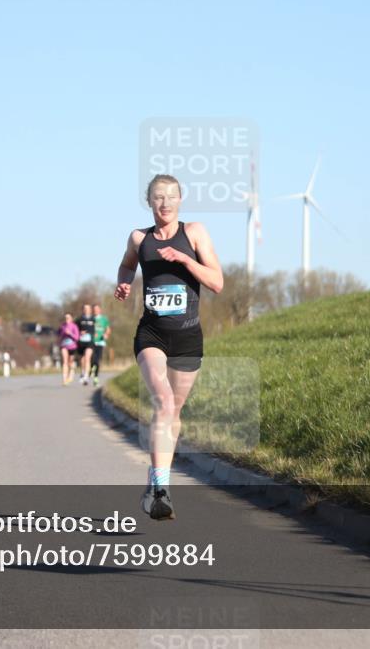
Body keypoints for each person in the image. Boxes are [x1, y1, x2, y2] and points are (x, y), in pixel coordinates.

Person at [114, 174, 223, 520]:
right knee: (162, 401)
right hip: (152, 335)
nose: (165, 203)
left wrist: (186, 260)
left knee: (173, 412)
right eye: (158, 197)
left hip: (188, 336)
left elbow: (217, 282)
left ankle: (153, 483)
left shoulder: (194, 233)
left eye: (171, 197)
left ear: (180, 200)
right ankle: (162, 487)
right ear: (149, 202)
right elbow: (127, 265)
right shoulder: (138, 238)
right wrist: (123, 283)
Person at [90, 304, 111, 387]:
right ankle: (91, 368)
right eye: (94, 309)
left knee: (98, 360)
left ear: (100, 310)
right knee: (92, 358)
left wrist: (106, 334)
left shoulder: (104, 319)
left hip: (100, 342)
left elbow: (108, 330)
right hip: (91, 342)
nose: (95, 310)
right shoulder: (91, 319)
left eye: (97, 309)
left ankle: (96, 378)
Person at [75, 304, 96, 385]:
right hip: (81, 341)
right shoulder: (79, 319)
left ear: (90, 310)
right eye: (85, 309)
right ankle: (83, 372)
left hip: (90, 341)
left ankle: (86, 376)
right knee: (82, 359)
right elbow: (74, 329)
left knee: (87, 358)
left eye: (88, 309)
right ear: (83, 310)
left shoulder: (93, 319)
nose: (86, 310)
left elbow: (98, 328)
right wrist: (79, 332)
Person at [56, 313, 79, 386]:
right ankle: (64, 379)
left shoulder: (74, 326)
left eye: (68, 318)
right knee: (65, 361)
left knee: (70, 362)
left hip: (72, 346)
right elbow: (59, 336)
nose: (67, 319)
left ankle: (71, 374)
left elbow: (77, 338)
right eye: (66, 318)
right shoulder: (62, 326)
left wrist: (70, 333)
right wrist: (59, 341)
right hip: (64, 346)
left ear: (71, 319)